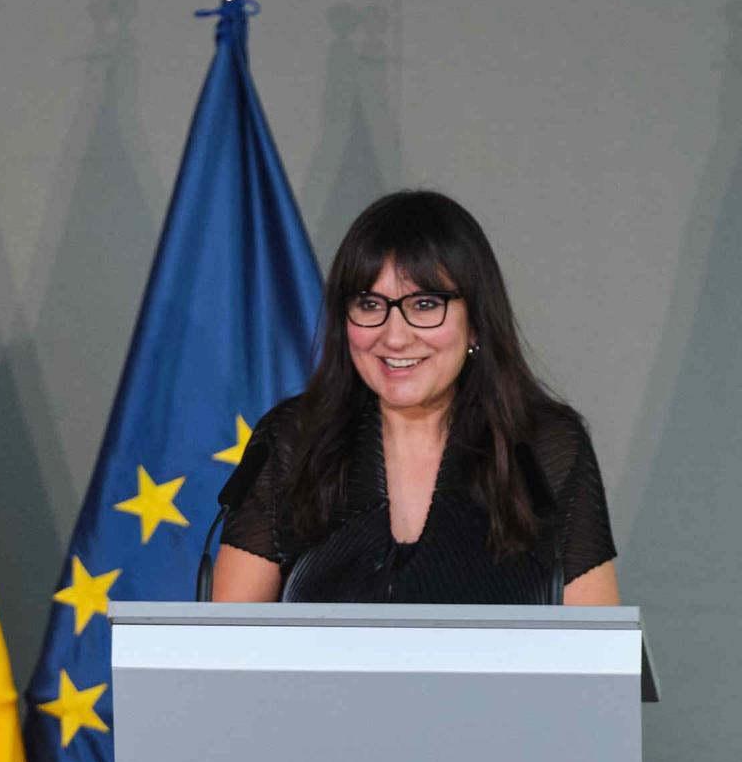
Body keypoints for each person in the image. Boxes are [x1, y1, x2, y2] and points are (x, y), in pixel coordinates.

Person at [213, 190, 619, 605]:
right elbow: (225, 650)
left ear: (476, 322)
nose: (395, 336)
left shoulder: (542, 449)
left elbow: (599, 650)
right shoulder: (291, 441)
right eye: (370, 304)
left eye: (425, 304)